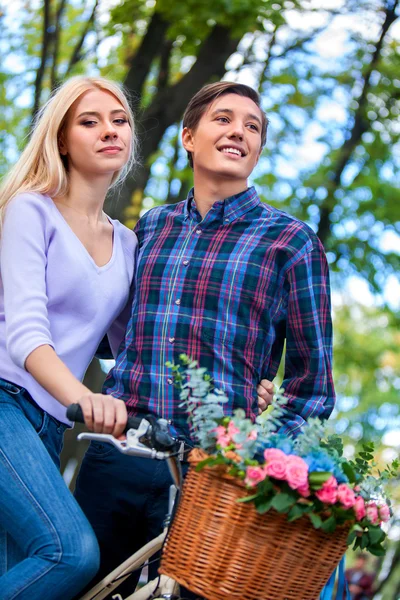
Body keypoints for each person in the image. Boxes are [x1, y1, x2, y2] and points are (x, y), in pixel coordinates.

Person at [74, 81, 335, 599]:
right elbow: (111, 333)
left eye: (253, 126)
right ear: (189, 137)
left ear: (258, 150)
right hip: (118, 449)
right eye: (224, 119)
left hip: (210, 476)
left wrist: (251, 455)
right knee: (83, 586)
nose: (239, 130)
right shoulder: (150, 228)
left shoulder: (292, 242)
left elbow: (312, 389)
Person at [0, 75, 137, 599]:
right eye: (90, 121)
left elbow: (136, 350)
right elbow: (26, 334)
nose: (110, 131)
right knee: (69, 552)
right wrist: (85, 397)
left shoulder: (126, 244)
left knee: (29, 576)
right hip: (6, 402)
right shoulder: (30, 210)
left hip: (49, 427)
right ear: (62, 138)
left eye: (119, 120)